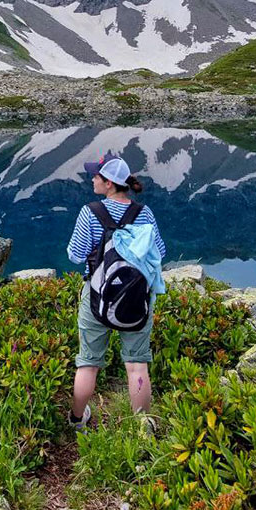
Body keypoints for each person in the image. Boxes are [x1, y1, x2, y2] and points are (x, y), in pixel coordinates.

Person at [66, 152, 166, 430]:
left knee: (88, 363)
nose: (92, 180)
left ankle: (77, 420)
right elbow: (160, 252)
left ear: (109, 183)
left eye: (96, 176)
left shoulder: (90, 212)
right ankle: (143, 427)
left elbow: (75, 255)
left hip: (97, 295)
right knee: (137, 365)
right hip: (137, 297)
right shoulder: (144, 213)